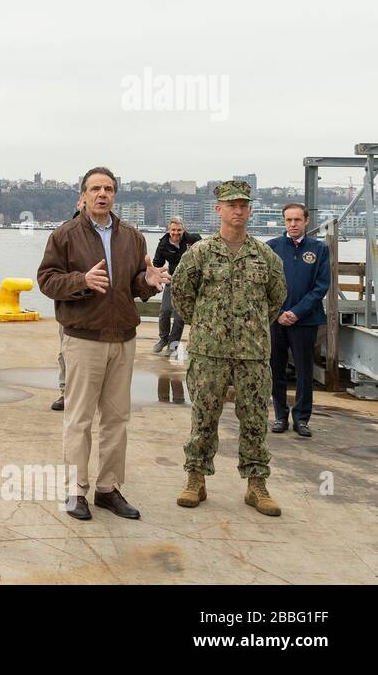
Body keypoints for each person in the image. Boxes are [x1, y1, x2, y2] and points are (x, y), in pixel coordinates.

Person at [38, 167, 168, 520]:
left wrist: (149, 281)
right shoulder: (64, 235)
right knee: (78, 418)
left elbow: (134, 285)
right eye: (95, 188)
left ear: (115, 195)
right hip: (83, 338)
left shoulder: (132, 237)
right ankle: (75, 491)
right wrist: (82, 279)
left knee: (116, 419)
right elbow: (46, 280)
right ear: (83, 195)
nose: (102, 194)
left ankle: (108, 489)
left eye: (108, 189)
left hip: (123, 339)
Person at [171, 180, 288, 516]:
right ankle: (195, 479)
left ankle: (256, 485)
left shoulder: (265, 256)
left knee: (254, 420)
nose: (238, 210)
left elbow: (276, 298)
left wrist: (248, 327)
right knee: (203, 417)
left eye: (243, 205)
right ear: (218, 209)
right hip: (209, 352)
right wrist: (208, 324)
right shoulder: (200, 253)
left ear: (249, 210)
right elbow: (181, 294)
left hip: (252, 354)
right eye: (231, 205)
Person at [267, 204, 331, 438]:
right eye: (288, 220)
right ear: (284, 222)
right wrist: (281, 311)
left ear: (306, 221)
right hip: (276, 319)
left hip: (305, 321)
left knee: (305, 371)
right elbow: (265, 285)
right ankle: (280, 416)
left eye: (297, 220)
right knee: (277, 368)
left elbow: (321, 285)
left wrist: (297, 312)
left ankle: (302, 418)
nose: (292, 224)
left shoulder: (319, 249)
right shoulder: (272, 247)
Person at [51, 198, 86, 411]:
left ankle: (86, 396)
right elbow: (51, 275)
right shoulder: (63, 234)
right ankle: (65, 392)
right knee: (65, 352)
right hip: (70, 305)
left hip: (96, 307)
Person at [152, 217, 201, 355]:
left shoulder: (192, 239)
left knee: (179, 317)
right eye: (173, 230)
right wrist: (156, 275)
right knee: (165, 311)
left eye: (179, 230)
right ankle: (163, 339)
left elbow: (204, 250)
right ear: (169, 230)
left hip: (189, 284)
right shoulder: (163, 244)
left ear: (183, 230)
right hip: (172, 280)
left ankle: (172, 346)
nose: (176, 233)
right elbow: (157, 264)